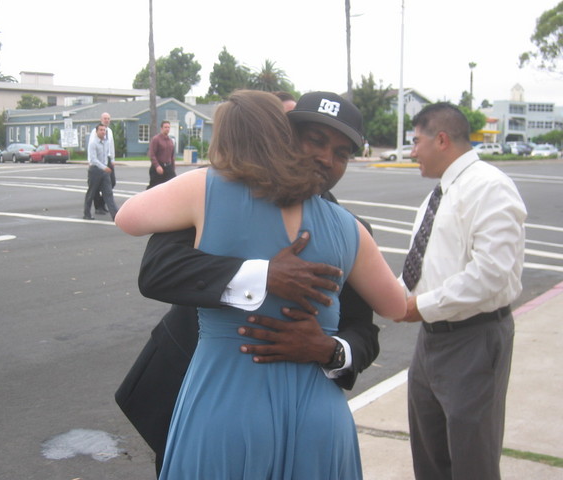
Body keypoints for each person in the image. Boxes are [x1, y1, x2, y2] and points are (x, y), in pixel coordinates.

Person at [116, 90, 406, 479]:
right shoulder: (346, 232)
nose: (326, 158)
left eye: (341, 153)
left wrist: (330, 349)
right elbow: (157, 269)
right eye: (315, 140)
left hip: (245, 410)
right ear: (283, 136)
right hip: (196, 389)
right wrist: (262, 275)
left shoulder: (351, 227)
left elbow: (364, 329)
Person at [394, 102, 527, 480]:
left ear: (441, 139)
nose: (412, 152)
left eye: (416, 142)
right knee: (430, 457)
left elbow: (491, 275)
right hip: (429, 340)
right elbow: (423, 266)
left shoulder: (490, 187)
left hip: (474, 339)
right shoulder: (437, 195)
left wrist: (420, 305)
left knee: (473, 462)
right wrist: (391, 295)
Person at [83, 123, 118, 220]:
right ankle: (87, 213)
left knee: (108, 193)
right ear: (97, 131)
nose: (103, 132)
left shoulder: (106, 142)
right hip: (95, 170)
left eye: (104, 130)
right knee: (92, 192)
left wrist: (107, 165)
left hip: (104, 171)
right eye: (101, 130)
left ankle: (115, 215)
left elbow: (106, 156)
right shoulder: (93, 143)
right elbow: (93, 159)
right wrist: (103, 167)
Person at [89, 112, 115, 215]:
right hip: (98, 160)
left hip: (107, 159)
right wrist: (90, 161)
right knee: (96, 185)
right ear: (101, 119)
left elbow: (111, 145)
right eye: (105, 118)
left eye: (108, 118)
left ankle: (103, 203)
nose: (106, 120)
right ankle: (98, 206)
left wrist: (112, 159)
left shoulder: (110, 131)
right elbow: (91, 147)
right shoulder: (94, 132)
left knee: (111, 182)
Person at [147, 120, 176, 189]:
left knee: (172, 185)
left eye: (168, 127)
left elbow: (172, 156)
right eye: (165, 127)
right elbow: (152, 154)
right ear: (161, 128)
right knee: (154, 187)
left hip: (168, 167)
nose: (167, 129)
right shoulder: (156, 139)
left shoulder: (170, 141)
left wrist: (173, 167)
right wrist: (157, 166)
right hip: (158, 167)